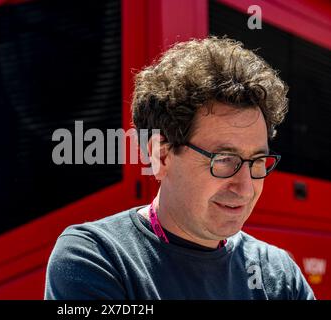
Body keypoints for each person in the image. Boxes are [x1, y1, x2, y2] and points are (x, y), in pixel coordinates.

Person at [44, 37, 315, 299]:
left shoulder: (279, 273)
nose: (245, 188)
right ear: (160, 157)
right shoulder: (96, 257)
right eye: (223, 160)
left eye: (256, 161)